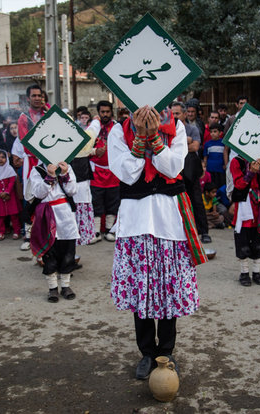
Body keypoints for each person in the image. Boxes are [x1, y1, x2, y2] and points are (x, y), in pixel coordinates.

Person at [107, 105, 205, 379]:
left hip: (168, 218)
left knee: (167, 286)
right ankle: (147, 352)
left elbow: (174, 167)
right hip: (135, 220)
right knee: (142, 289)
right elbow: (127, 173)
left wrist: (155, 139)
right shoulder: (118, 130)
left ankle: (167, 349)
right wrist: (140, 138)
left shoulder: (177, 127)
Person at [29, 161, 79, 302]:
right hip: (47, 214)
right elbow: (38, 193)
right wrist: (49, 177)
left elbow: (73, 190)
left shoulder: (67, 167)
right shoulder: (37, 170)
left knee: (68, 251)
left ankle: (66, 286)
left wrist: (64, 174)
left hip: (65, 214)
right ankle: (52, 288)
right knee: (49, 253)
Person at [172, 101, 211, 243]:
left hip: (191, 169)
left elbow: (195, 147)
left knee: (196, 200)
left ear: (184, 114)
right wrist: (184, 142)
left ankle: (203, 231)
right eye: (173, 113)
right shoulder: (168, 129)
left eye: (177, 113)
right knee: (177, 202)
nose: (174, 116)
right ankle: (181, 233)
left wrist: (178, 143)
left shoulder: (192, 129)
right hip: (174, 170)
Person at [230, 154, 260, 287]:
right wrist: (250, 173)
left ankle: (256, 272)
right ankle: (244, 272)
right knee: (242, 239)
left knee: (259, 239)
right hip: (244, 206)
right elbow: (239, 184)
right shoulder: (237, 162)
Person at [18, 85, 49, 250]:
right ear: (28, 98)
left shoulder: (47, 114)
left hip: (48, 161)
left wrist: (48, 109)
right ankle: (28, 235)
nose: (37, 98)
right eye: (34, 95)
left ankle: (46, 232)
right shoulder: (24, 118)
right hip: (32, 161)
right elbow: (26, 143)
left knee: (47, 196)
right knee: (30, 197)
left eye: (40, 95)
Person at [88, 100, 120, 243]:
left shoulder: (117, 127)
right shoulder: (93, 128)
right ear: (98, 113)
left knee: (112, 202)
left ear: (111, 112)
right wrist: (95, 151)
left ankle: (109, 230)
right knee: (96, 202)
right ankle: (95, 232)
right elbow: (82, 149)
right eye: (102, 112)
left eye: (107, 112)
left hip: (113, 171)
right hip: (96, 171)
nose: (105, 114)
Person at [72, 119, 99, 246]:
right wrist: (95, 120)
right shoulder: (84, 139)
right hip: (74, 182)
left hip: (78, 181)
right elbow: (93, 131)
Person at [0, 149, 21, 240]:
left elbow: (12, 182)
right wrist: (0, 193)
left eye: (3, 157)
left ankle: (16, 231)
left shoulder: (10, 170)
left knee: (14, 216)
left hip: (10, 197)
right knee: (0, 217)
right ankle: (0, 231)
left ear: (6, 158)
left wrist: (7, 192)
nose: (1, 159)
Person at [203, 123, 226, 189]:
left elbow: (225, 155)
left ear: (220, 133)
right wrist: (205, 166)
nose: (212, 133)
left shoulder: (223, 143)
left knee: (220, 185)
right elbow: (205, 157)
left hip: (220, 169)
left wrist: (225, 164)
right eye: (211, 132)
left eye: (215, 131)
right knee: (211, 186)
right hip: (210, 169)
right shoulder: (207, 144)